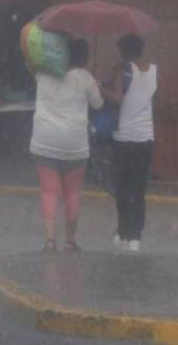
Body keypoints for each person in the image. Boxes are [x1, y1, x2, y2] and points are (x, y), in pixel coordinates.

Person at [29, 39, 104, 253]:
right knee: (72, 193)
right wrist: (94, 80)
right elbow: (98, 105)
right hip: (74, 144)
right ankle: (70, 241)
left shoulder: (42, 74)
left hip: (45, 141)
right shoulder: (86, 78)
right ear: (84, 57)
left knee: (49, 192)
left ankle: (50, 241)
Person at [103, 35, 156, 253]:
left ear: (123, 51)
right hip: (145, 136)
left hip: (123, 136)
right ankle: (136, 236)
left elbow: (117, 98)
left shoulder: (122, 69)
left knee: (122, 187)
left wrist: (98, 84)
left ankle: (122, 231)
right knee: (138, 188)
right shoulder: (154, 69)